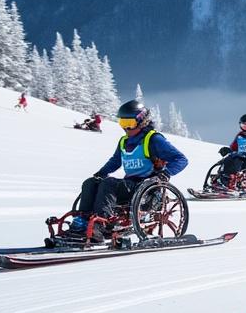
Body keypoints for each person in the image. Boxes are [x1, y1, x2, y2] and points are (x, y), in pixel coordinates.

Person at [68, 100, 188, 243]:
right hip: (129, 185)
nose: (126, 128)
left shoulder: (153, 139)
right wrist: (100, 173)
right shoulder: (124, 141)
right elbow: (115, 161)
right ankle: (83, 221)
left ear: (142, 121)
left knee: (109, 183)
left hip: (147, 189)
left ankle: (100, 226)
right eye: (122, 123)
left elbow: (181, 159)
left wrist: (165, 173)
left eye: (129, 123)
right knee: (91, 182)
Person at [213, 114, 246, 193]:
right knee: (226, 160)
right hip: (239, 156)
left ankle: (231, 184)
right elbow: (233, 147)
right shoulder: (240, 136)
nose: (244, 127)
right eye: (243, 125)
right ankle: (220, 182)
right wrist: (227, 150)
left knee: (236, 162)